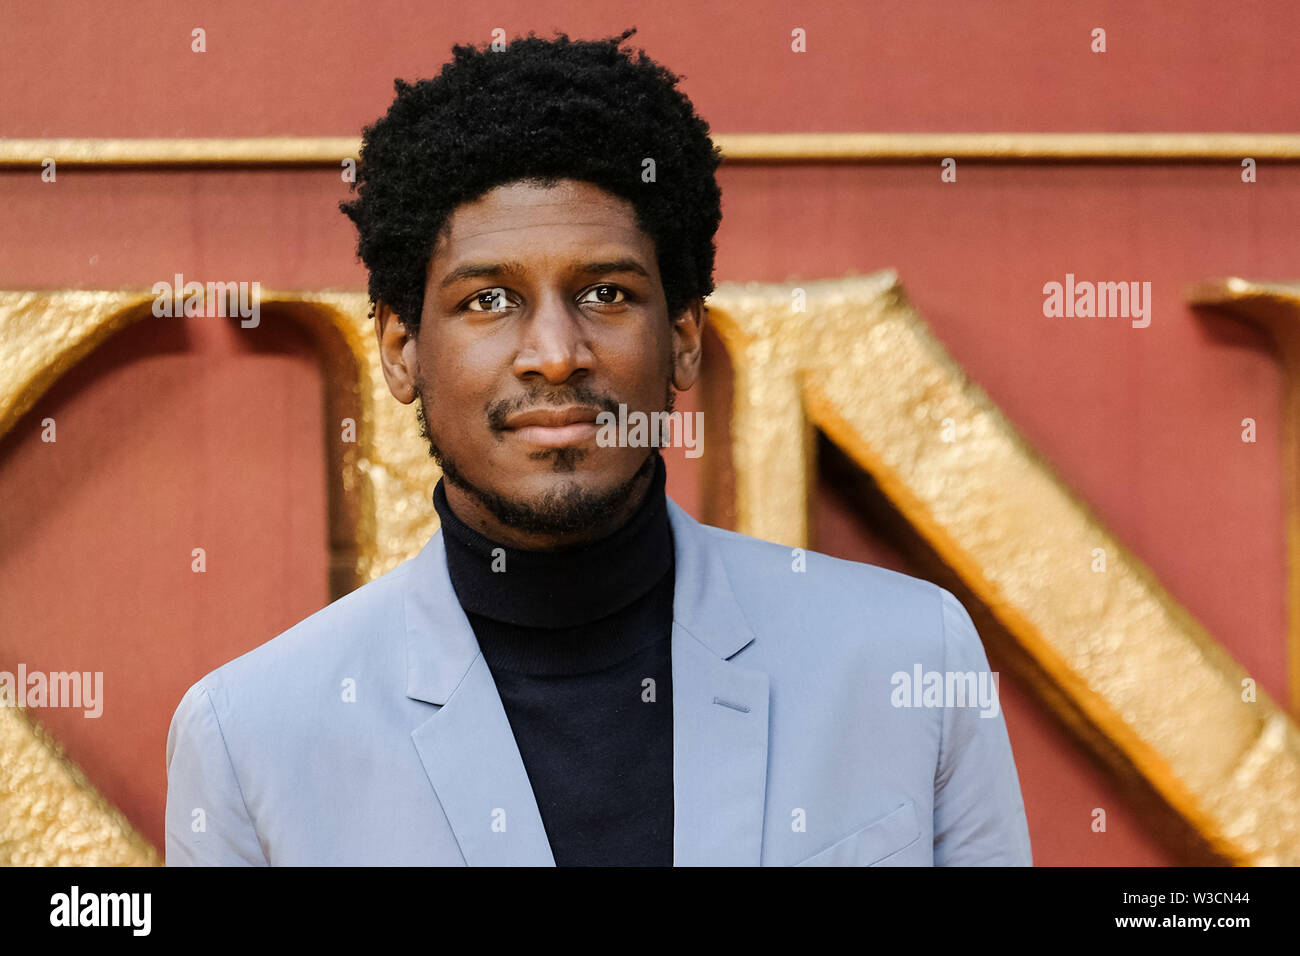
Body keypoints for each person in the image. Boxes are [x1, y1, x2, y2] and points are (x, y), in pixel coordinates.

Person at [164, 27, 1032, 866]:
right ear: (401, 349)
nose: (554, 354)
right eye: (489, 301)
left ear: (685, 338)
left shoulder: (907, 658)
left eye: (606, 292)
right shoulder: (252, 738)